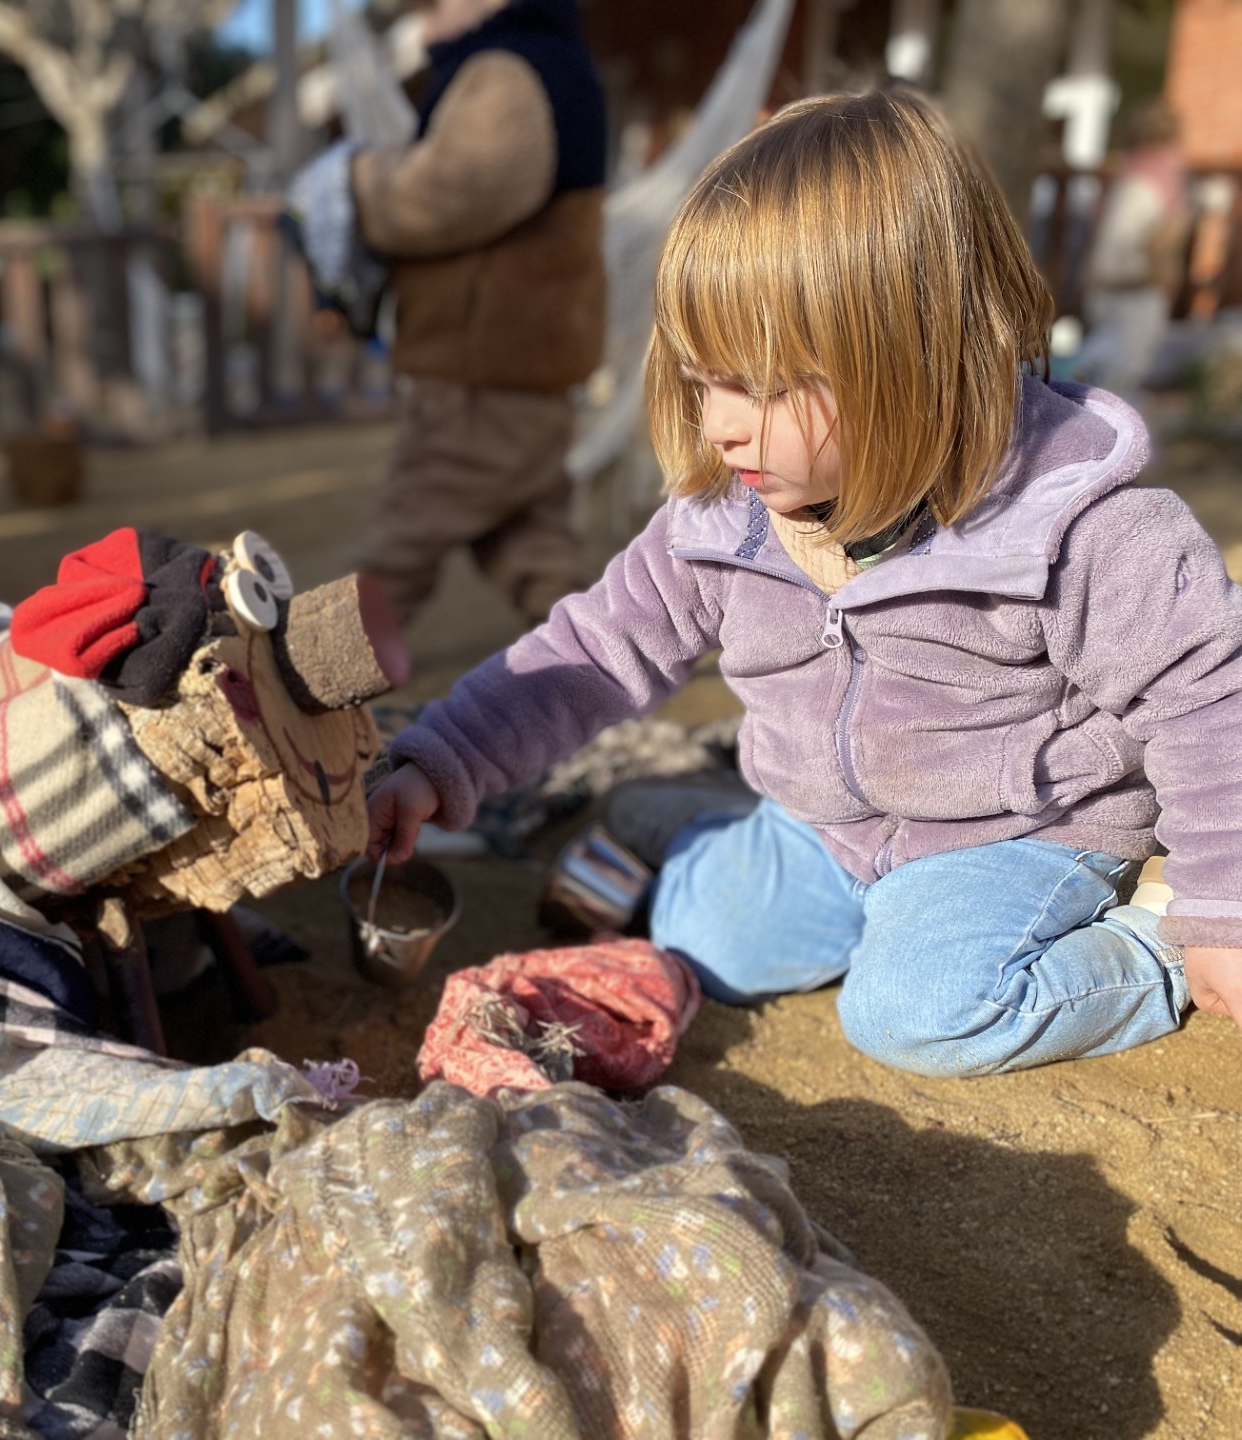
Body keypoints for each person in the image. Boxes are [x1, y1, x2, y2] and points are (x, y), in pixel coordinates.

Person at [367, 88, 1242, 1078]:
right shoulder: (726, 518)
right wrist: (444, 757)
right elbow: (592, 650)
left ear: (918, 360)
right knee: (702, 945)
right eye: (704, 380)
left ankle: (1151, 950)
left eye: (767, 386)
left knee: (918, 1011)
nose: (720, 426)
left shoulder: (1071, 524)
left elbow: (1210, 698)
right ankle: (685, 825)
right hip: (823, 826)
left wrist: (1223, 907)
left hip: (1013, 834)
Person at [349, 0, 607, 627]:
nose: (425, 27)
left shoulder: (505, 72)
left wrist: (361, 180)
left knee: (400, 547)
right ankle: (590, 669)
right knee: (533, 548)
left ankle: (313, 675)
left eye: (436, 7)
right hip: (533, 366)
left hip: (478, 367)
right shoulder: (557, 63)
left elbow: (449, 195)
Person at [1072, 101, 1192, 404]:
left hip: (1109, 286)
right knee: (1123, 374)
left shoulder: (1124, 175)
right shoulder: (1165, 176)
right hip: (1137, 289)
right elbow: (1165, 239)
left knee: (1104, 368)